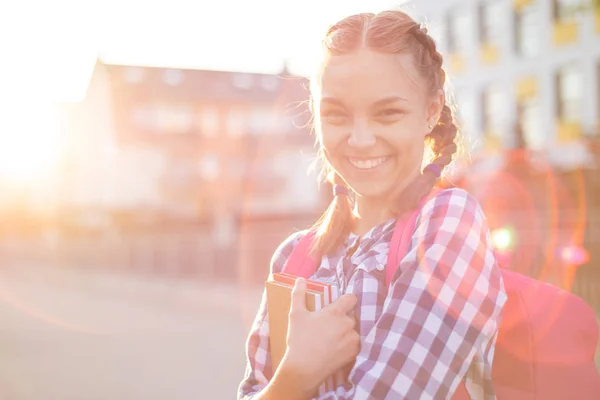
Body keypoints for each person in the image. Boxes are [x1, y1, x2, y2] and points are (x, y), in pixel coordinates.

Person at [238, 9, 506, 400]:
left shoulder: (450, 225)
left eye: (387, 113)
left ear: (430, 112)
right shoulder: (293, 258)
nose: (360, 139)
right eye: (336, 114)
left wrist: (289, 384)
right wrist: (295, 374)